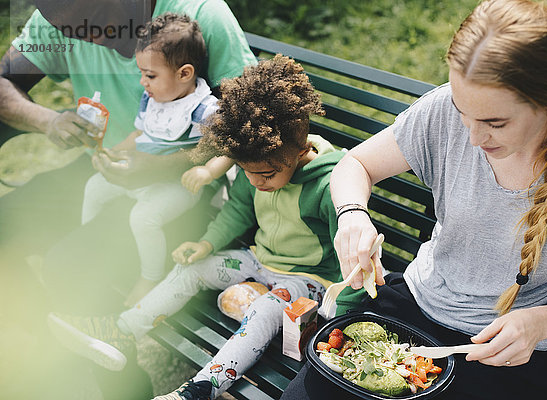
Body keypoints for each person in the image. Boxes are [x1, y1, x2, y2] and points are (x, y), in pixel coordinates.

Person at [282, 0, 547, 399]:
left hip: (513, 350)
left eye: (495, 123)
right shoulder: (443, 109)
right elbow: (355, 165)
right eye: (462, 113)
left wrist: (539, 323)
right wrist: (352, 215)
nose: (473, 139)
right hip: (418, 305)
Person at [47, 55, 366, 399]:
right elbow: (239, 210)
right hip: (259, 261)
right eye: (248, 172)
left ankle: (198, 391)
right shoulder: (257, 160)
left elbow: (351, 253)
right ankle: (121, 329)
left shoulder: (331, 183)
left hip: (309, 281)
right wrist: (207, 245)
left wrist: (343, 315)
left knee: (263, 311)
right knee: (192, 269)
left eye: (268, 174)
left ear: (301, 150)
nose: (257, 181)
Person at [0, 0, 256, 306]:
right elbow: (5, 82)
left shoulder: (202, 13)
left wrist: (162, 166)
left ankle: (107, 341)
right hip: (110, 167)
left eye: (94, 20)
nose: (85, 37)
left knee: (68, 268)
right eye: (69, 30)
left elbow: (252, 120)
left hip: (186, 188)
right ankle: (34, 333)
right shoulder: (61, 14)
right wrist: (50, 121)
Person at [81, 12, 234, 306]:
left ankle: (149, 277)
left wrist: (208, 173)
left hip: (178, 186)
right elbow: (140, 132)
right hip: (142, 175)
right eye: (141, 73)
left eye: (150, 75)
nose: (143, 82)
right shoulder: (151, 98)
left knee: (142, 217)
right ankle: (91, 246)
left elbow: (230, 147)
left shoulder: (204, 109)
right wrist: (114, 152)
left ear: (184, 74)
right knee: (95, 186)